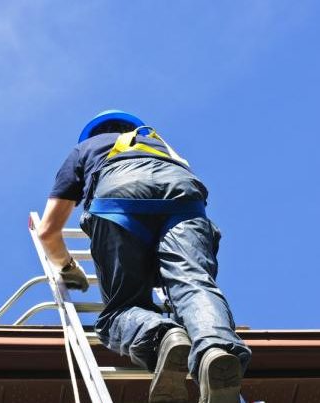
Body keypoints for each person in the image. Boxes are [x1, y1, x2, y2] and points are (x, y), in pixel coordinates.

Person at [38, 110, 252, 403]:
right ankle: (216, 351)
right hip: (183, 199)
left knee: (118, 313)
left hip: (117, 201)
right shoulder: (161, 146)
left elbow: (48, 231)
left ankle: (162, 336)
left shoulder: (84, 150)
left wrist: (67, 266)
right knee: (193, 285)